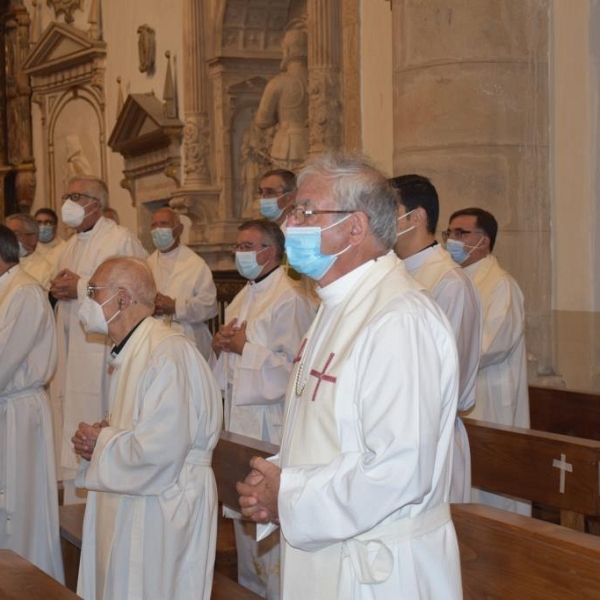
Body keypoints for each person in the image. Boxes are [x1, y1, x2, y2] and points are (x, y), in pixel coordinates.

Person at [238, 154, 462, 599]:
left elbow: (399, 469)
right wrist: (277, 479)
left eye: (305, 211)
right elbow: (332, 434)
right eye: (294, 211)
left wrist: (290, 494)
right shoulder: (338, 305)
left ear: (355, 228)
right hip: (333, 550)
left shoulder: (399, 317)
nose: (290, 223)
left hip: (377, 570)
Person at [71, 257, 222, 600]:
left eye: (94, 292)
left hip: (164, 506)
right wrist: (99, 439)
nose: (87, 301)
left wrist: (103, 442)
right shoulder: (134, 349)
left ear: (122, 298)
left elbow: (160, 451)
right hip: (141, 498)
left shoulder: (167, 353)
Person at [212, 219, 316, 599]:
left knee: (267, 521)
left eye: (247, 245)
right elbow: (231, 364)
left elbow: (296, 371)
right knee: (246, 520)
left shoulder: (290, 299)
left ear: (270, 252)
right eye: (239, 245)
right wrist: (221, 344)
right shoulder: (244, 296)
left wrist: (243, 348)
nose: (240, 253)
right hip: (243, 423)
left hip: (270, 426)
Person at [49, 175, 146, 504]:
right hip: (72, 344)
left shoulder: (120, 239)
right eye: (67, 195)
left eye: (76, 196)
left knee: (101, 407)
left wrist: (78, 286)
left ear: (97, 203)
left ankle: (106, 488)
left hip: (104, 349)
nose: (69, 203)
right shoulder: (68, 246)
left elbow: (134, 290)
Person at [391, 174, 482, 503]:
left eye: (390, 209)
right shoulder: (395, 273)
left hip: (431, 437)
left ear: (416, 217)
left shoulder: (448, 281)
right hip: (398, 437)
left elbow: (446, 373)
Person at [445, 207, 530, 515]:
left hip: (489, 396)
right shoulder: (453, 281)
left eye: (460, 233)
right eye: (449, 233)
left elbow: (491, 344)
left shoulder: (501, 284)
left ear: (483, 241)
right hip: (461, 395)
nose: (451, 240)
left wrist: (438, 359)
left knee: (491, 493)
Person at [0, 225, 64, 582]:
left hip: (17, 413)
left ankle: (27, 582)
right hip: (7, 408)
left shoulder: (23, 293)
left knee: (19, 506)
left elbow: (3, 360)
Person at [147, 206, 217, 360]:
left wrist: (175, 306)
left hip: (188, 337)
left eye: (164, 224)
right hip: (155, 338)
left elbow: (210, 306)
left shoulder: (196, 265)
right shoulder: (146, 265)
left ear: (179, 229)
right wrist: (149, 307)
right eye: (154, 225)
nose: (158, 229)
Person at [254, 24, 309, 171]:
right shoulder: (316, 80)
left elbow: (261, 120)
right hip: (310, 143)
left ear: (287, 50)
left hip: (286, 146)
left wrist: (277, 117)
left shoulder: (278, 82)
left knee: (285, 189)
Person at [5, 213, 55, 288]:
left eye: (15, 234)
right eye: (7, 234)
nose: (9, 239)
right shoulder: (3, 263)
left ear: (33, 238)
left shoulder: (46, 271)